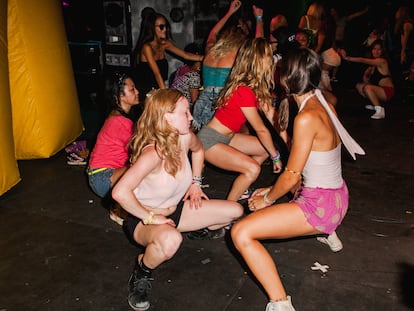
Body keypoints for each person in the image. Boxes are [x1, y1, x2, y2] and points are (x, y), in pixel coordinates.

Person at [231, 47, 365, 311]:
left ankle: (280, 304)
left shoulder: (305, 117)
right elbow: (305, 163)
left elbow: (292, 176)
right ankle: (329, 234)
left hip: (321, 207)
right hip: (338, 197)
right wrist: (271, 188)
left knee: (241, 232)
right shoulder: (322, 102)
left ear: (286, 78)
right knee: (289, 186)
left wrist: (268, 199)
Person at [112, 89, 243, 311]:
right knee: (171, 242)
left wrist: (196, 183)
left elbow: (199, 151)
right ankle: (142, 271)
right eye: (186, 112)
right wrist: (150, 217)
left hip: (177, 211)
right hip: (145, 219)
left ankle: (191, 229)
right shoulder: (152, 153)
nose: (191, 117)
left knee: (235, 211)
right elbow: (119, 192)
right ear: (167, 118)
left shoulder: (185, 137)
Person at [197, 37, 283, 204]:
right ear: (260, 61)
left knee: (264, 147)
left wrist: (278, 148)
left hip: (227, 138)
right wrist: (276, 157)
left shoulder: (249, 86)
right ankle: (227, 214)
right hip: (209, 141)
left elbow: (271, 115)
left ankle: (242, 187)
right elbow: (261, 129)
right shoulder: (244, 90)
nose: (272, 60)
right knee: (253, 168)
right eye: (269, 56)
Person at [87, 72, 139, 225]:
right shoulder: (119, 121)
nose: (137, 92)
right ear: (120, 96)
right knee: (143, 166)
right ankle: (117, 209)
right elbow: (140, 149)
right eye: (132, 89)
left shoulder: (119, 116)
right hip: (103, 179)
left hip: (104, 177)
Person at [192, 0, 245, 131]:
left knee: (202, 142)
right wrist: (259, 18)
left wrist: (230, 12)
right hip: (221, 103)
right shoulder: (238, 54)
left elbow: (213, 32)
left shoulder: (211, 50)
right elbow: (258, 44)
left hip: (202, 102)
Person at [132, 11, 203, 102]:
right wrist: (165, 95)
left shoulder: (165, 44)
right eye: (161, 27)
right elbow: (157, 73)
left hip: (158, 88)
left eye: (166, 26)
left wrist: (204, 58)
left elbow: (186, 55)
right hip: (145, 90)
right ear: (152, 29)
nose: (165, 29)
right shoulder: (146, 47)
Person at [339, 39, 394, 119]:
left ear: (382, 51)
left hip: (388, 92)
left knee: (367, 88)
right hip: (380, 90)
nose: (376, 51)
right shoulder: (372, 66)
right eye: (374, 49)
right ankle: (374, 104)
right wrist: (366, 76)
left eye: (379, 49)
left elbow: (362, 60)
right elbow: (366, 78)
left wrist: (347, 58)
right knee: (359, 86)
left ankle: (380, 110)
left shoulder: (382, 61)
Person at [169, 42, 203, 107]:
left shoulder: (183, 69)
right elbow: (195, 102)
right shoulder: (194, 76)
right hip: (181, 108)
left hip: (173, 105)